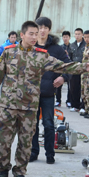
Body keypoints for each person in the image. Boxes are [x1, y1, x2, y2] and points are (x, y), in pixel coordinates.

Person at [0, 21, 89, 177]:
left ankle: (20, 171)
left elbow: (62, 65)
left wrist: (83, 67)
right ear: (22, 35)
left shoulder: (41, 55)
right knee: (3, 138)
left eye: (36, 33)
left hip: (29, 106)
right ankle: (2, 169)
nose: (34, 37)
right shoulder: (9, 52)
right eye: (31, 33)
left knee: (25, 141)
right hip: (8, 105)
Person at [29, 17, 72, 164]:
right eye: (39, 27)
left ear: (49, 30)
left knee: (48, 124)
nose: (42, 30)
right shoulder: (29, 47)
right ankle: (33, 152)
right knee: (32, 124)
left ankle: (50, 154)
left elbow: (69, 66)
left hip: (48, 93)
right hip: (31, 94)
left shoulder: (57, 49)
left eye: (45, 28)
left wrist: (63, 78)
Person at [68, 28, 86, 111]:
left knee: (83, 88)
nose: (77, 36)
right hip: (74, 69)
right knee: (73, 88)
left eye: (79, 34)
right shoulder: (72, 45)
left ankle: (83, 106)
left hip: (83, 69)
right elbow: (70, 58)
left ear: (82, 35)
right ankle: (75, 105)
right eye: (75, 34)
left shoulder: (86, 45)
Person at [59, 30, 72, 107]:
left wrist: (68, 56)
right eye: (64, 37)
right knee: (59, 86)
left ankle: (69, 101)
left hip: (69, 69)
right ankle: (58, 100)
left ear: (69, 38)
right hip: (61, 68)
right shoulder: (60, 47)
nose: (65, 38)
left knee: (70, 86)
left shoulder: (72, 47)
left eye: (66, 37)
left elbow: (73, 59)